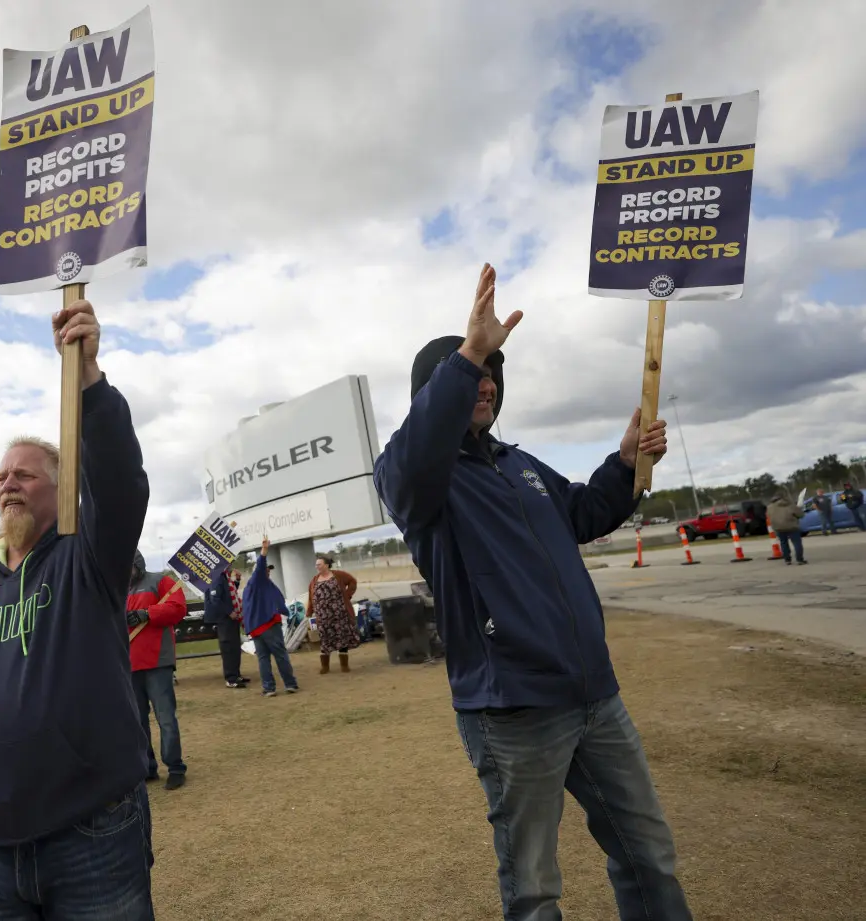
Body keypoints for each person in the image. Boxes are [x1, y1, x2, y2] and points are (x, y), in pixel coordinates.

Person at [373, 263, 691, 921]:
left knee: (648, 854)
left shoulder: (519, 466)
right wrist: (467, 353)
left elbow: (582, 511)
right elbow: (411, 459)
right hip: (515, 710)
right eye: (470, 373)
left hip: (594, 695)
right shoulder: (419, 484)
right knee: (535, 889)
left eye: (493, 373)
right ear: (433, 392)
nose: (485, 381)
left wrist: (627, 462)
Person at [0, 299, 155, 921]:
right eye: (1, 476)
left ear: (63, 487)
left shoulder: (88, 561)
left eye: (25, 474)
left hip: (91, 835)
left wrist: (88, 383)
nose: (8, 484)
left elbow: (122, 485)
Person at [127, 550, 188, 790]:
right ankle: (147, 767)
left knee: (165, 720)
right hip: (129, 664)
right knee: (137, 721)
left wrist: (146, 614)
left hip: (158, 663)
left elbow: (177, 608)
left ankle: (175, 767)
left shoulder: (161, 581)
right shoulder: (117, 589)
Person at [242, 537, 299, 697]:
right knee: (280, 655)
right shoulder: (258, 581)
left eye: (269, 570)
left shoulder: (252, 587)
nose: (268, 571)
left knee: (263, 659)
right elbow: (260, 567)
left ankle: (269, 688)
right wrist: (264, 550)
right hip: (268, 625)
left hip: (256, 628)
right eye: (266, 569)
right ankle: (290, 684)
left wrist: (286, 612)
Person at [306, 556, 359, 673]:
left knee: (341, 637)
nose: (317, 567)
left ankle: (344, 665)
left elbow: (352, 581)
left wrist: (347, 595)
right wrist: (309, 611)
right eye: (316, 565)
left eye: (319, 564)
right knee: (325, 638)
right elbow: (311, 596)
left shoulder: (338, 575)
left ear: (326, 565)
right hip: (323, 616)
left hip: (339, 613)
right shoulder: (315, 580)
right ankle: (325, 666)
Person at [203, 567, 248, 688]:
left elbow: (229, 594)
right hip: (224, 618)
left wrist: (237, 581)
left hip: (232, 617)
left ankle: (236, 674)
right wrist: (229, 611)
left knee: (235, 646)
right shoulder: (217, 576)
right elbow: (215, 598)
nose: (231, 565)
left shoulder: (225, 577)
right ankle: (230, 678)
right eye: (229, 562)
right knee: (228, 647)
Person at [766, 493, 806, 565]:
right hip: (792, 526)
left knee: (783, 543)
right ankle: (799, 559)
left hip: (778, 527)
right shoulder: (791, 505)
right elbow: (801, 515)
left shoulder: (770, 507)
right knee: (797, 543)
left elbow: (768, 516)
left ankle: (787, 560)